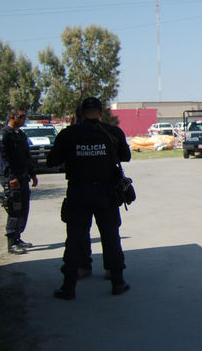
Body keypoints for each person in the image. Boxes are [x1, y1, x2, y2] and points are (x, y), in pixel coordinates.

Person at [47, 96, 132, 300]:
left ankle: (68, 286)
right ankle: (118, 282)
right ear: (101, 113)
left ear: (81, 113)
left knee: (75, 239)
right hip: (106, 193)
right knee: (111, 237)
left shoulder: (69, 134)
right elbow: (126, 156)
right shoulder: (112, 132)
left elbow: (52, 160)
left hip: (79, 193)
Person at [0, 107, 39, 255]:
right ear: (12, 117)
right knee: (14, 208)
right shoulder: (2, 136)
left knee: (23, 209)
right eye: (21, 117)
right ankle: (11, 242)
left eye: (24, 117)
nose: (24, 119)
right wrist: (11, 177)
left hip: (23, 178)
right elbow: (2, 160)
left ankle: (18, 238)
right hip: (12, 179)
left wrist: (33, 174)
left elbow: (27, 157)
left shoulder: (21, 135)